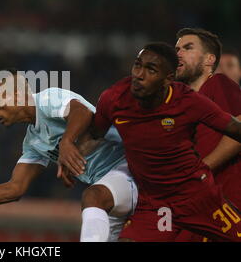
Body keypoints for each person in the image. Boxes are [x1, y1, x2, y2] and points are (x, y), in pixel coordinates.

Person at [61, 42, 241, 241]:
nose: (139, 74)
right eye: (137, 65)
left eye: (151, 70)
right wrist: (72, 153)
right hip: (155, 202)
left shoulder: (188, 101)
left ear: (168, 79)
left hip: (197, 196)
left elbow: (234, 128)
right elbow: (94, 134)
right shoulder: (115, 99)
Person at [0, 69, 138, 242]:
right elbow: (15, 188)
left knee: (92, 198)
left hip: (128, 167)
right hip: (109, 186)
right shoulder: (33, 142)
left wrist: (66, 142)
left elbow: (82, 112)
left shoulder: (48, 98)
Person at [173, 28, 241, 242]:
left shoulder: (218, 84)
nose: (178, 53)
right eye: (177, 49)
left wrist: (201, 169)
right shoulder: (177, 105)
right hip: (195, 211)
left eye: (188, 48)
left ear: (209, 59)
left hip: (227, 207)